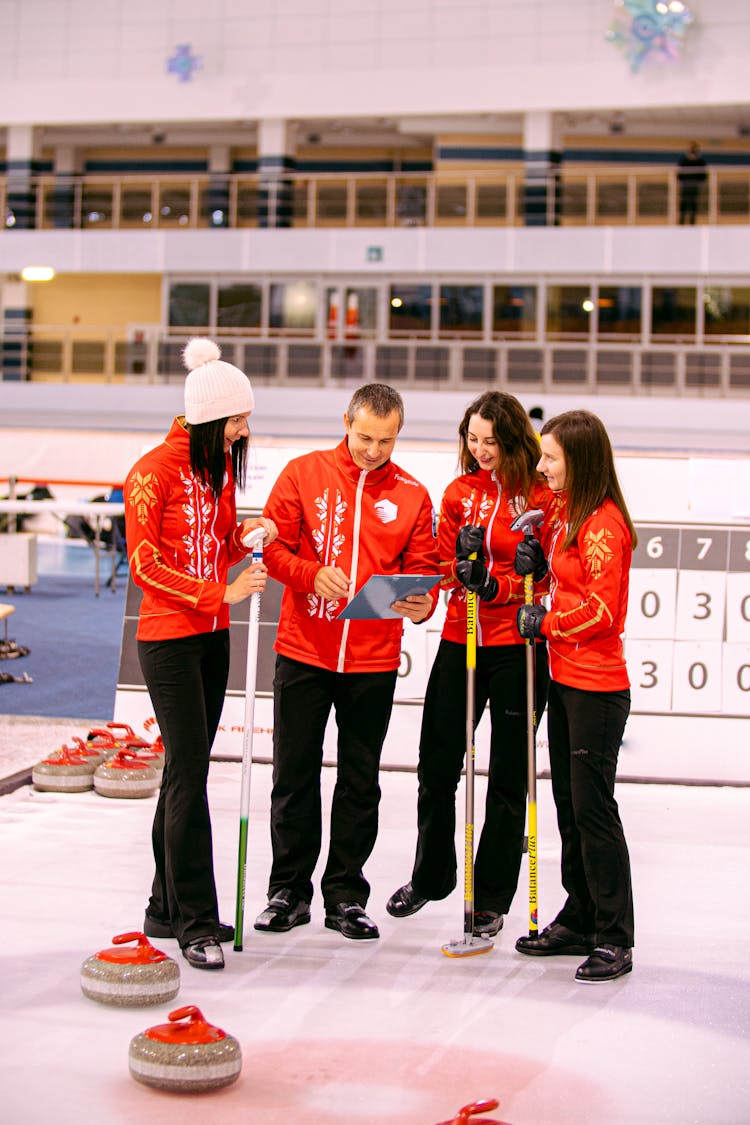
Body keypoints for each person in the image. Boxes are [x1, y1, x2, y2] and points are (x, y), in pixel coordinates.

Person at [253, 383, 439, 941]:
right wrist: (309, 574)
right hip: (303, 651)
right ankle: (287, 890)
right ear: (346, 422)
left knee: (360, 781)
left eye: (385, 440)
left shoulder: (412, 493)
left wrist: (423, 604)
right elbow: (271, 547)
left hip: (373, 661)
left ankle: (346, 895)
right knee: (293, 774)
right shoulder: (302, 472)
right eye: (364, 437)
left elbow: (424, 567)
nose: (373, 450)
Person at [123, 337, 277, 971]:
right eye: (238, 421)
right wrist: (222, 589)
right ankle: (195, 920)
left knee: (184, 771)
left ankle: (164, 904)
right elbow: (145, 565)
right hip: (168, 638)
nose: (246, 431)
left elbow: (211, 544)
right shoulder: (150, 472)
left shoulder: (212, 469)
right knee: (188, 772)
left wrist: (247, 534)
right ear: (212, 417)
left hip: (213, 633)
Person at [386, 391, 559, 936]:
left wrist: (499, 582)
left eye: (491, 441)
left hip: (518, 647)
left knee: (507, 776)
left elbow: (546, 578)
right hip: (460, 640)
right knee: (437, 764)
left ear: (513, 441)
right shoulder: (460, 491)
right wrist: (458, 568)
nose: (481, 451)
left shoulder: (538, 496)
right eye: (473, 439)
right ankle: (432, 875)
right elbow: (440, 561)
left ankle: (490, 898)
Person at [514, 409, 636, 983]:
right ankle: (581, 913)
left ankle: (615, 934)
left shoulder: (604, 524)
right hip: (564, 681)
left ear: (579, 461)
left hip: (596, 687)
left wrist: (546, 622)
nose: (542, 467)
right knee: (568, 805)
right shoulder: (566, 512)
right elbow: (562, 584)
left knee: (593, 809)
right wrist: (532, 571)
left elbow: (604, 612)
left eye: (551, 458)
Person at [677, 142, 707, 224]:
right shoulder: (684, 161)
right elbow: (679, 174)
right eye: (691, 149)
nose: (693, 151)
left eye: (694, 149)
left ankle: (692, 222)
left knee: (693, 204)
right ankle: (681, 222)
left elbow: (703, 175)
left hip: (694, 186)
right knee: (683, 204)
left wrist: (698, 182)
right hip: (685, 186)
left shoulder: (700, 161)